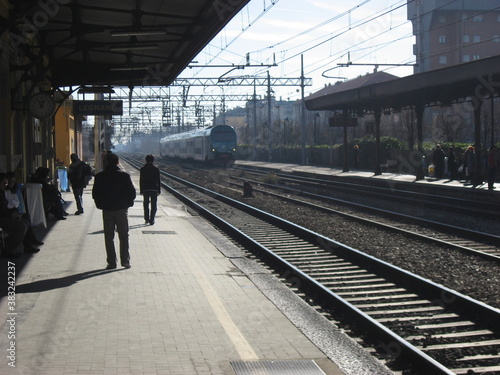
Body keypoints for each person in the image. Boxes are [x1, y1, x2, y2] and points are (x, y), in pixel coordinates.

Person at [92, 153, 136, 269]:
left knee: (108, 237)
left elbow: (95, 193)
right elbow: (132, 193)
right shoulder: (124, 176)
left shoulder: (100, 177)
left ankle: (111, 262)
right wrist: (128, 204)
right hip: (121, 210)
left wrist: (100, 205)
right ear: (117, 162)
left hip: (107, 210)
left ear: (105, 162)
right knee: (124, 236)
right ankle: (125, 261)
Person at [5, 172, 44, 248]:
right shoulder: (4, 191)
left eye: (13, 182)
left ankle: (29, 242)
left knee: (26, 217)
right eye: (10, 182)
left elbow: (16, 203)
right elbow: (7, 204)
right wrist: (11, 203)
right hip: (8, 213)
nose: (11, 184)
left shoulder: (13, 191)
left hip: (13, 211)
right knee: (23, 223)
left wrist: (11, 202)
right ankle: (27, 244)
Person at [0, 173, 31, 258]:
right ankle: (7, 249)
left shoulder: (2, 192)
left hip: (6, 215)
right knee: (21, 226)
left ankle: (12, 248)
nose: (5, 185)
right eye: (4, 183)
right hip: (2, 218)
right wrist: (11, 215)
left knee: (25, 222)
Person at [139, 154, 160, 225]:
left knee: (146, 204)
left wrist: (141, 189)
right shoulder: (156, 169)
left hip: (145, 189)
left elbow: (141, 180)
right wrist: (159, 190)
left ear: (146, 160)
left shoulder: (142, 169)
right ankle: (152, 219)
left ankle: (146, 219)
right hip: (154, 189)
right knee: (154, 205)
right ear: (153, 160)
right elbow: (158, 181)